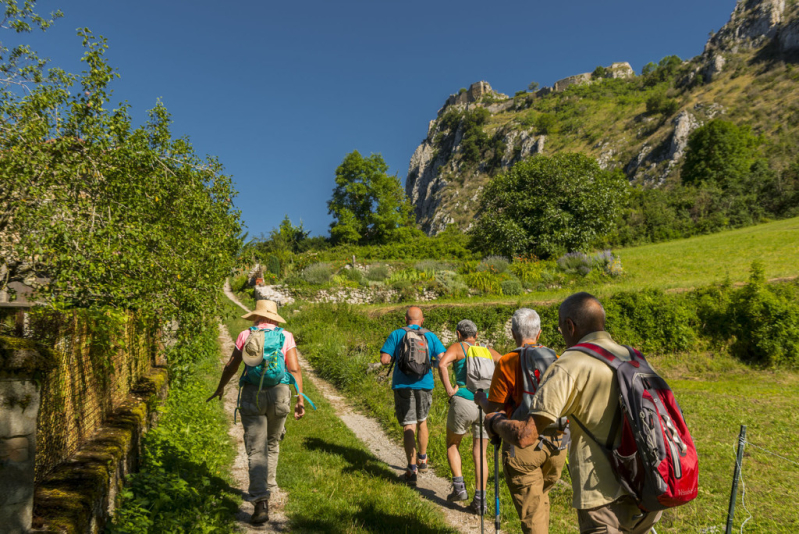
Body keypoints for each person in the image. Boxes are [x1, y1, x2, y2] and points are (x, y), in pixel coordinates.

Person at [482, 293, 662, 534]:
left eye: (562, 328)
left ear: (570, 325)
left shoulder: (569, 364)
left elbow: (524, 433)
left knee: (532, 508)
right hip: (644, 481)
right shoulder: (631, 355)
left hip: (600, 493)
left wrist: (494, 422)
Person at [207, 299, 306, 524]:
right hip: (280, 393)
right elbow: (294, 368)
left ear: (257, 316)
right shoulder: (285, 335)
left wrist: (220, 387)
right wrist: (299, 398)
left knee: (255, 448)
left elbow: (231, 366)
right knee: (272, 442)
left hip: (253, 394)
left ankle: (261, 500)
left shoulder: (245, 335)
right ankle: (269, 484)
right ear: (274, 317)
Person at [474, 308, 568, 534]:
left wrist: (481, 400)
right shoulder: (555, 358)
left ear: (514, 332)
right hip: (558, 442)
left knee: (532, 513)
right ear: (539, 333)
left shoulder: (508, 361)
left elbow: (495, 412)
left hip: (523, 443)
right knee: (540, 501)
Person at [436, 319, 502, 513]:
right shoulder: (486, 350)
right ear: (476, 335)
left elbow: (442, 365)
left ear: (458, 334)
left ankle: (459, 487)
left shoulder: (457, 348)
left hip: (463, 400)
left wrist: (450, 390)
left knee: (452, 444)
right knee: (481, 452)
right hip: (486, 403)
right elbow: (504, 362)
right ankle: (480, 500)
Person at [380, 306, 446, 486]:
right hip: (425, 384)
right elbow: (443, 358)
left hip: (402, 384)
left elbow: (385, 360)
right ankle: (423, 460)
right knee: (422, 420)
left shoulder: (397, 334)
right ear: (422, 320)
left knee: (409, 425)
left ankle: (411, 470)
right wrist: (430, 364)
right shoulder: (430, 336)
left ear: (405, 319)